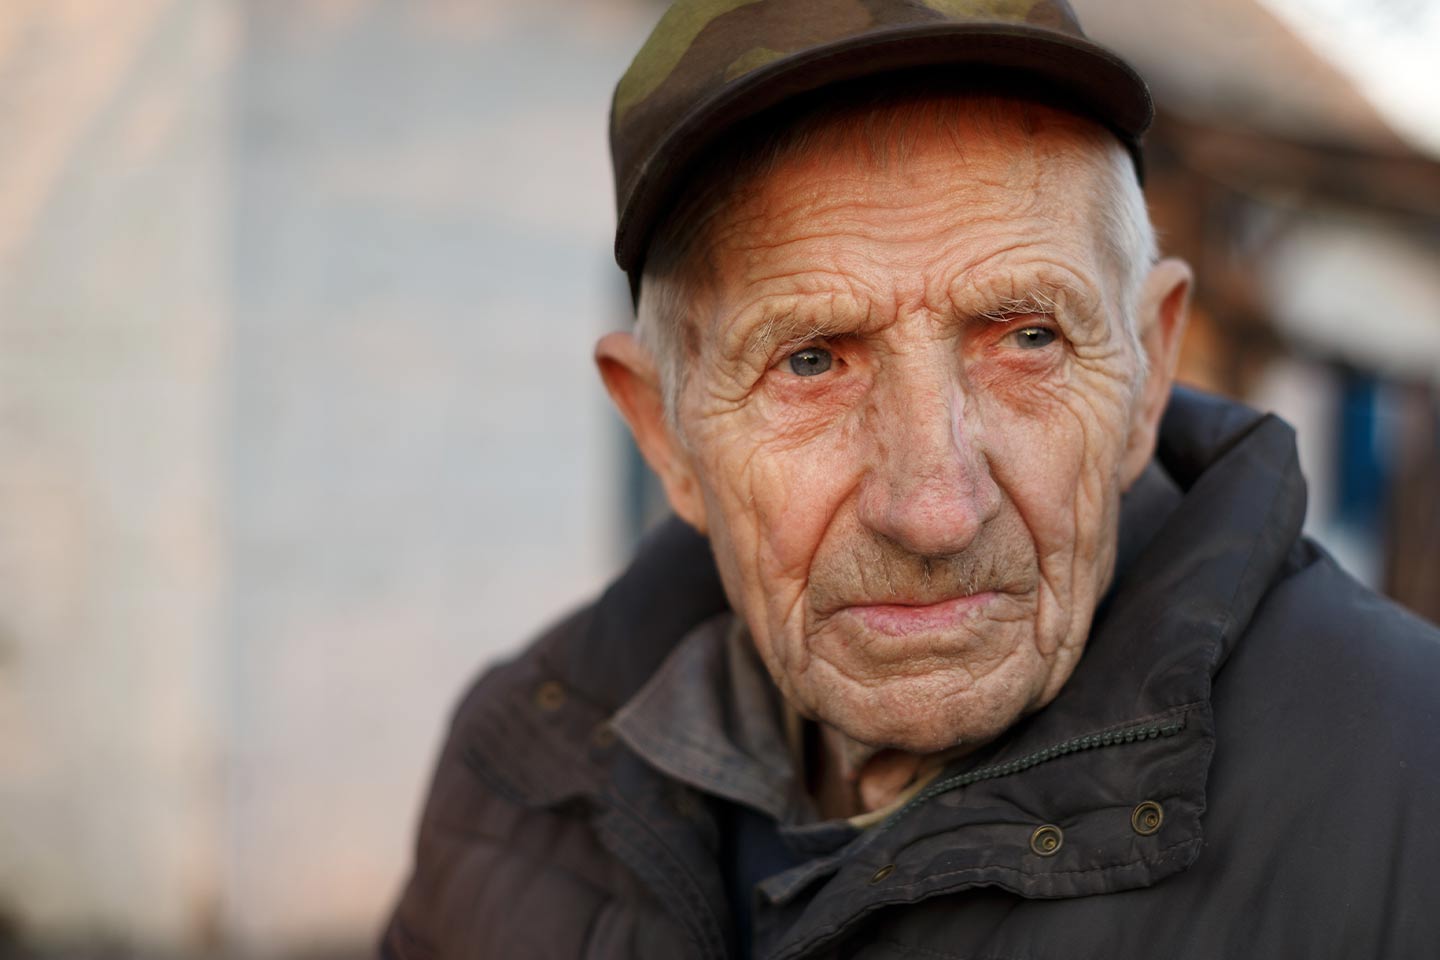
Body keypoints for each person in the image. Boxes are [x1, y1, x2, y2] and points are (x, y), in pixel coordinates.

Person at [382, 2, 1440, 957]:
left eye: (1026, 337)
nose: (934, 509)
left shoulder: (1411, 796)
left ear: (1151, 369)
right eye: (809, 360)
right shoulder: (520, 774)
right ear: (665, 434)